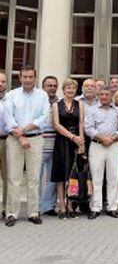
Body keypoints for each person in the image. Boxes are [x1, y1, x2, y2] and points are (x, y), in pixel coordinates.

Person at [3, 66, 50, 227]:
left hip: (35, 140)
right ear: (20, 77)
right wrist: (21, 136)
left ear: (35, 78)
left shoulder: (42, 95)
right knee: (14, 178)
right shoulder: (11, 95)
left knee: (34, 178)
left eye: (31, 77)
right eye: (25, 77)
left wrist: (26, 129)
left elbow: (44, 117)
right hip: (15, 140)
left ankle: (33, 212)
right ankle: (12, 213)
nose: (28, 80)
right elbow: (8, 120)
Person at [85, 86, 118, 219]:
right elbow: (88, 128)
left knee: (113, 177)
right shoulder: (92, 110)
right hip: (97, 146)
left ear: (111, 96)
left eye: (106, 94)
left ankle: (112, 207)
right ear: (98, 95)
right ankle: (96, 207)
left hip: (113, 146)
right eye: (101, 94)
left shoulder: (117, 111)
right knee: (97, 178)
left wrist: (112, 138)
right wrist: (102, 138)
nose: (104, 97)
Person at [51, 79, 85, 219]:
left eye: (73, 88)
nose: (70, 90)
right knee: (61, 176)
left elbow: (81, 123)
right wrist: (73, 137)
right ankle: (62, 207)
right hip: (62, 142)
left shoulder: (80, 104)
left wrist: (81, 143)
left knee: (73, 175)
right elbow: (56, 125)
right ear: (63, 90)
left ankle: (71, 205)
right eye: (68, 88)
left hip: (76, 143)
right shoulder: (56, 105)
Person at [39, 76, 59, 216]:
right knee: (36, 178)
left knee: (52, 178)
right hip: (39, 143)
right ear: (43, 86)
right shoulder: (38, 101)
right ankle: (36, 207)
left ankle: (48, 206)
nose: (52, 88)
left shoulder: (60, 102)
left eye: (54, 85)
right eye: (49, 85)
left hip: (55, 145)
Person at [0, 71, 7, 219]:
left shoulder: (10, 99)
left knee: (9, 176)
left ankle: (6, 208)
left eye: (3, 82)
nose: (0, 85)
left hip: (8, 140)